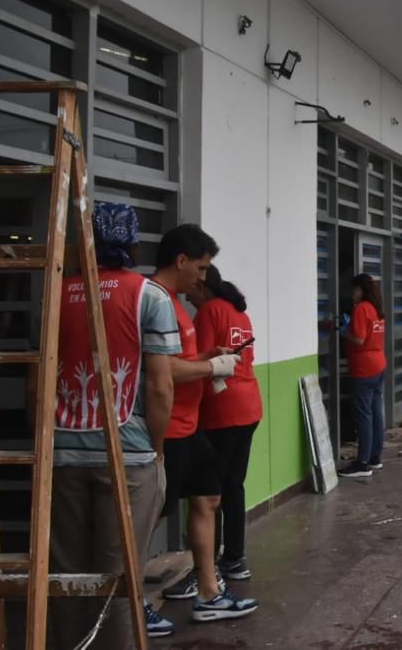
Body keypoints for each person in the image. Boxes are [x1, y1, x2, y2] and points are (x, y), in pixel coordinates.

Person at [43, 202, 180, 646]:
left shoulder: (56, 292)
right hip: (128, 455)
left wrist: (51, 442)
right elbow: (160, 388)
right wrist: (157, 449)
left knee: (66, 576)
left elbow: (35, 386)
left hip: (62, 454)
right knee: (119, 578)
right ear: (133, 243)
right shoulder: (149, 296)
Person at [154, 225, 258, 622]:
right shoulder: (161, 302)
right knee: (165, 509)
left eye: (204, 271)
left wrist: (209, 360)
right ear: (181, 262)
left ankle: (211, 582)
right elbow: (163, 371)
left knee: (211, 495)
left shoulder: (193, 309)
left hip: (202, 420)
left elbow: (186, 362)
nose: (200, 278)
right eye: (199, 268)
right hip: (189, 423)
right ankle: (136, 597)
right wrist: (210, 363)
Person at [193, 265, 262, 582]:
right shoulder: (239, 313)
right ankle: (235, 557)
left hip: (222, 409)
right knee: (233, 485)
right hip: (249, 406)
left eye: (191, 292)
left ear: (201, 286)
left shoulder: (209, 311)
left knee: (210, 491)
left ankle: (209, 565)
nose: (188, 298)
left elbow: (201, 361)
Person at [338, 274, 387, 478]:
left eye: (354, 289)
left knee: (363, 415)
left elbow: (358, 339)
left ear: (361, 290)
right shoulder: (377, 310)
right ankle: (375, 457)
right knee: (376, 413)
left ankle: (362, 463)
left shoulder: (361, 309)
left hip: (364, 369)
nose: (351, 294)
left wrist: (343, 331)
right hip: (379, 365)